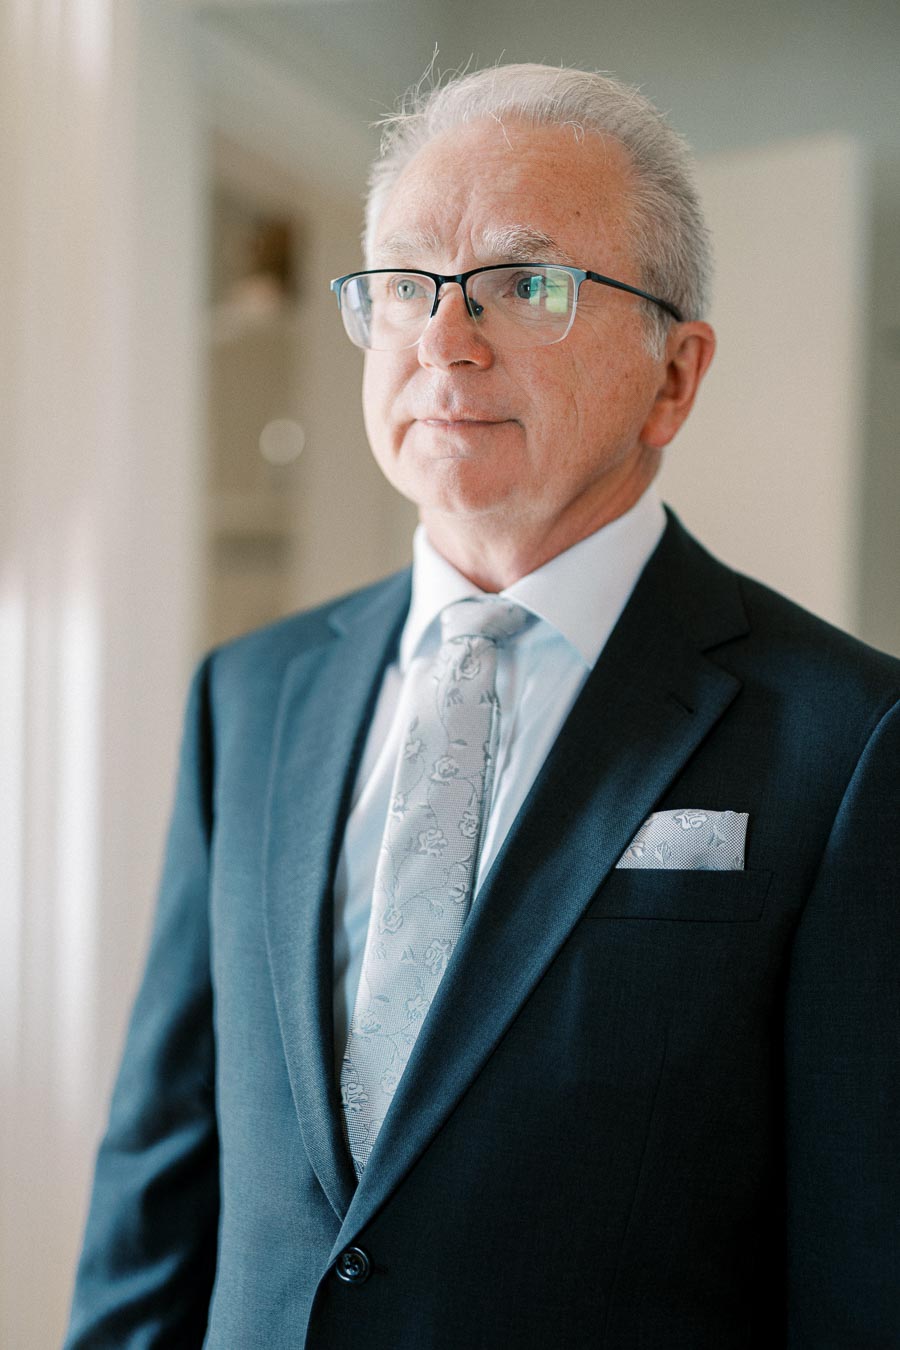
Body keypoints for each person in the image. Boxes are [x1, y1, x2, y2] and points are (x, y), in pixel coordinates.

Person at [65, 64, 899, 1349]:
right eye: (403, 285)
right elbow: (159, 1188)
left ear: (674, 375)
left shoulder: (848, 741)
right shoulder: (249, 696)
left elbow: (861, 1275)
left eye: (526, 285)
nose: (443, 343)